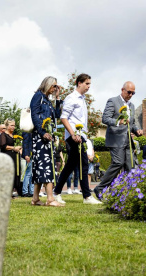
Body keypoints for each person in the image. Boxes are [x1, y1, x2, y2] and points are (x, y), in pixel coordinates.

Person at [53, 73, 102, 205]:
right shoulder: (72, 98)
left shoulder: (82, 98)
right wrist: (73, 134)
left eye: (90, 84)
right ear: (79, 83)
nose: (89, 86)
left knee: (70, 166)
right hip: (74, 137)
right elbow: (64, 118)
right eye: (87, 84)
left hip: (81, 137)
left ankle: (56, 192)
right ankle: (87, 196)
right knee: (84, 165)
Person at [93, 81, 143, 200]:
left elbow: (132, 124)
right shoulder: (113, 101)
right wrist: (118, 122)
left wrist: (137, 131)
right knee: (118, 163)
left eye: (133, 93)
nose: (131, 95)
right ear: (122, 90)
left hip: (128, 142)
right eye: (129, 92)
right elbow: (105, 118)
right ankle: (99, 188)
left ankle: (128, 193)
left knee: (131, 166)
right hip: (115, 139)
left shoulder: (131, 106)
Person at [30, 76, 63, 207]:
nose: (55, 88)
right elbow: (35, 115)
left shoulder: (48, 100)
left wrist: (58, 98)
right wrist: (43, 133)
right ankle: (50, 198)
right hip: (41, 137)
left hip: (48, 137)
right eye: (54, 86)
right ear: (47, 84)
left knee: (41, 167)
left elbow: (57, 115)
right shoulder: (38, 96)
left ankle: (35, 198)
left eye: (56, 86)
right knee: (47, 167)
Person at [0, 118, 22, 197]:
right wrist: (13, 148)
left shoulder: (14, 135)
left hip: (15, 156)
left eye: (14, 125)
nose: (13, 127)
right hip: (7, 156)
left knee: (15, 173)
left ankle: (11, 192)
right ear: (7, 125)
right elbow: (3, 146)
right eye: (11, 125)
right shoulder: (3, 135)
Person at [22, 131, 34, 197]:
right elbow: (25, 143)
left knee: (32, 173)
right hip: (29, 154)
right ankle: (25, 191)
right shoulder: (26, 131)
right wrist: (26, 155)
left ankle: (31, 191)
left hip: (33, 153)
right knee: (28, 173)